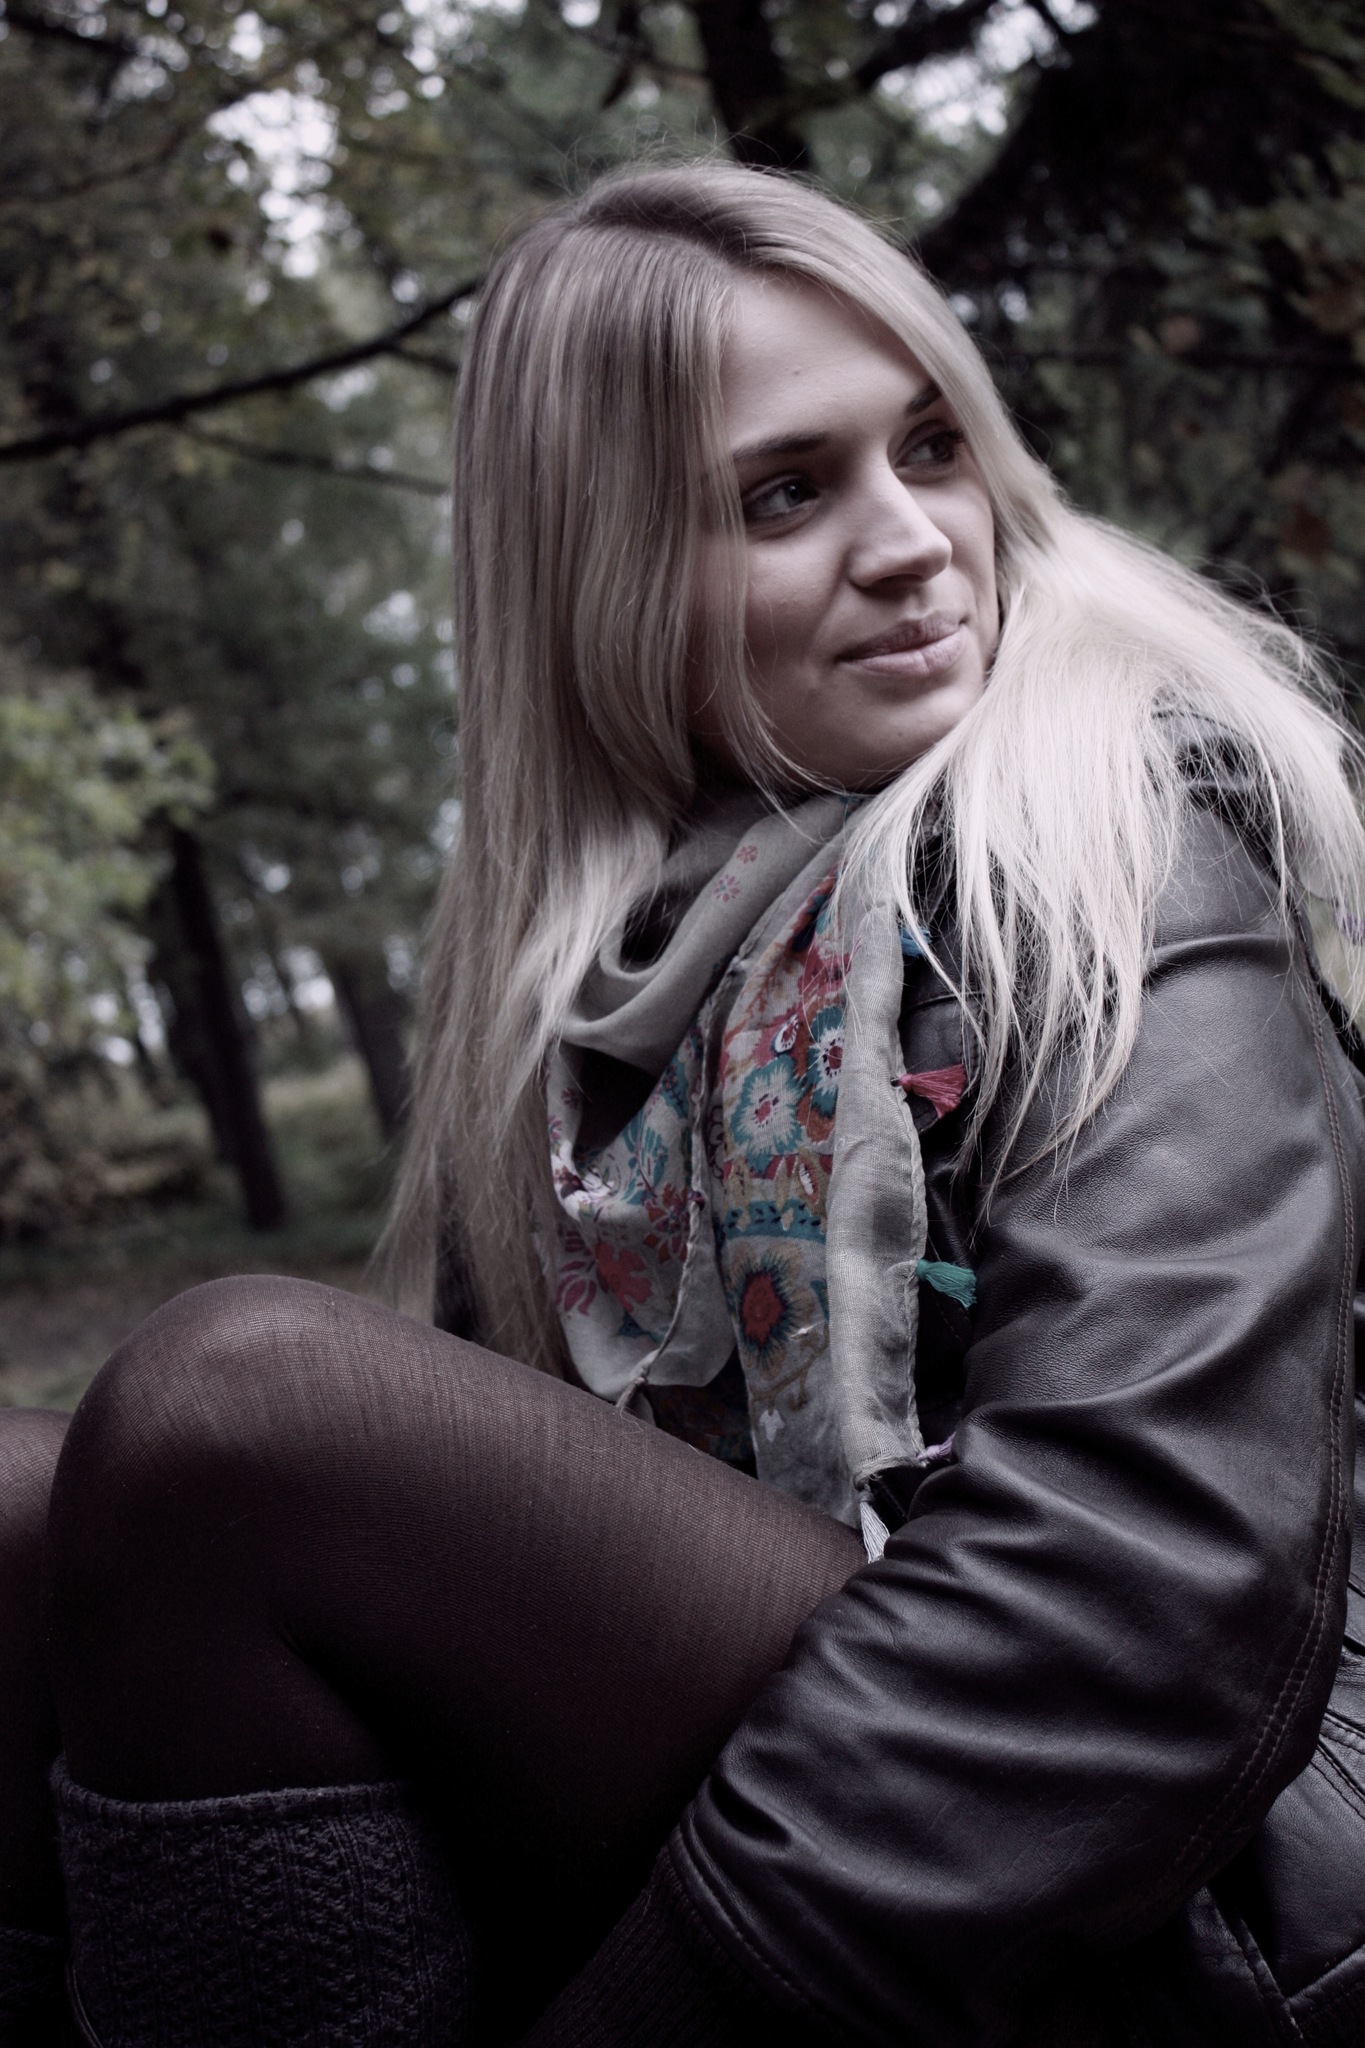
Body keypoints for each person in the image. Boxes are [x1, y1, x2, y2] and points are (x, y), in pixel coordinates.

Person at [4, 160, 1365, 2047]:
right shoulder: (591, 994)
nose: (915, 545)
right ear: (602, 574)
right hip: (854, 1740)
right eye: (784, 495)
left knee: (232, 1405)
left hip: (1203, 1854)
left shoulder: (1105, 837)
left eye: (931, 449)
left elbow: (1144, 1591)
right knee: (27, 1505)